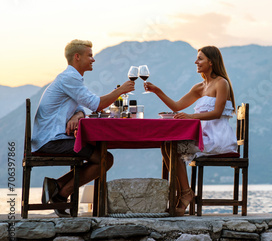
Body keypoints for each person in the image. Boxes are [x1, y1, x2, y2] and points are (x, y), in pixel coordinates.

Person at [32, 39, 135, 217]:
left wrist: (77, 114)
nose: (93, 59)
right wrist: (120, 90)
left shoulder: (70, 78)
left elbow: (80, 104)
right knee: (104, 159)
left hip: (51, 137)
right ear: (77, 57)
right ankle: (61, 195)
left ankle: (57, 186)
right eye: (90, 55)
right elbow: (95, 104)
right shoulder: (69, 77)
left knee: (104, 157)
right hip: (50, 141)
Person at [145, 45, 237, 216]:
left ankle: (185, 194)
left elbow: (217, 113)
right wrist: (157, 91)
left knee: (175, 147)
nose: (196, 61)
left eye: (200, 58)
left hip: (217, 137)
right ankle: (184, 192)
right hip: (202, 135)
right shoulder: (199, 87)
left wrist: (191, 117)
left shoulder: (221, 83)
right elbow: (177, 106)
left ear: (211, 62)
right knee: (166, 144)